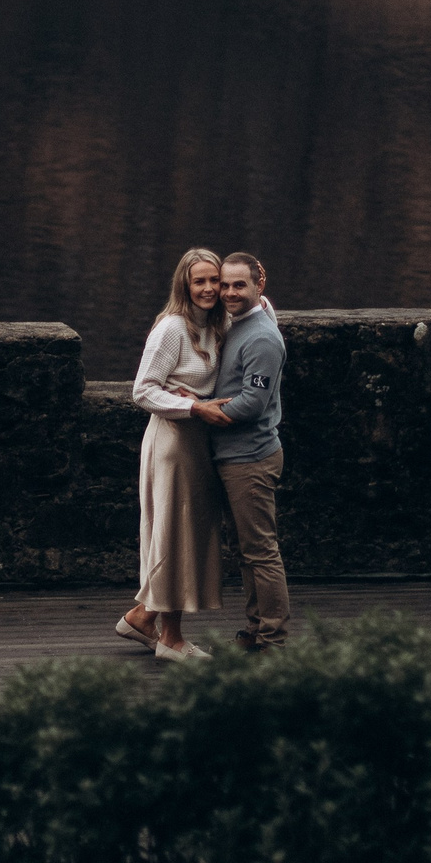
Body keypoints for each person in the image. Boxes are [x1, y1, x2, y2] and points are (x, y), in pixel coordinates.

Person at [117, 248, 229, 662]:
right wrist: (193, 406)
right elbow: (142, 390)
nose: (209, 288)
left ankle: (142, 618)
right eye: (199, 281)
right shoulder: (172, 328)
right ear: (185, 284)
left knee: (185, 533)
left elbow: (265, 317)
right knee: (172, 534)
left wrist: (261, 287)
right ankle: (172, 639)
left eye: (215, 280)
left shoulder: (218, 323)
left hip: (197, 443)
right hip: (172, 442)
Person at [191, 252, 289, 651]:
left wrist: (199, 408)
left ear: (258, 286)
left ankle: (272, 641)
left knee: (261, 553)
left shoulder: (261, 337)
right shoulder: (240, 322)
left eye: (239, 285)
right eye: (225, 285)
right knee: (247, 553)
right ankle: (255, 631)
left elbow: (253, 404)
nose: (229, 293)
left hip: (251, 459)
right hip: (234, 458)